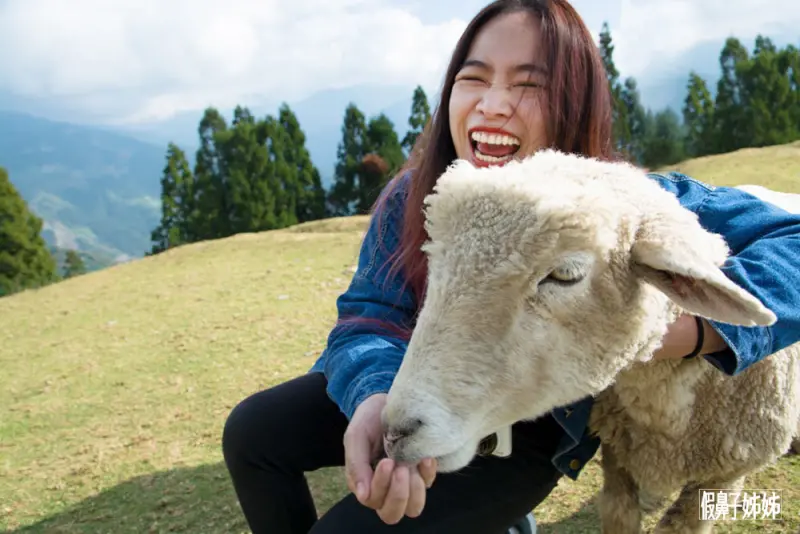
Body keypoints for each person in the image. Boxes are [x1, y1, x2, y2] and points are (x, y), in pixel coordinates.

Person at [221, 1, 800, 533]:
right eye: (472, 78)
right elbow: (370, 314)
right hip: (415, 386)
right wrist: (373, 395)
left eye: (530, 86)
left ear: (575, 104)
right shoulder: (417, 195)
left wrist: (691, 332)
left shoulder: (614, 204)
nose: (492, 104)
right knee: (252, 434)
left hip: (530, 424)